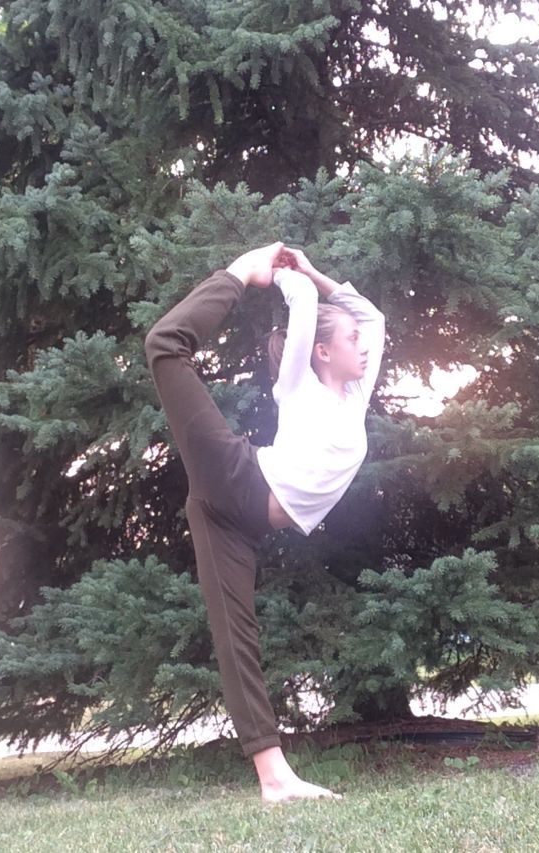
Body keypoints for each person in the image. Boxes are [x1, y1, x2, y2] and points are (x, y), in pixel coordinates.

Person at [144, 241, 385, 803]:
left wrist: (316, 270)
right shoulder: (298, 382)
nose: (364, 346)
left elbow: (373, 318)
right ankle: (230, 274)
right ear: (321, 351)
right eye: (350, 340)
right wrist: (266, 270)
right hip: (236, 477)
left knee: (236, 635)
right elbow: (302, 301)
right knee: (164, 346)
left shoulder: (354, 395)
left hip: (239, 519)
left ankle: (275, 780)